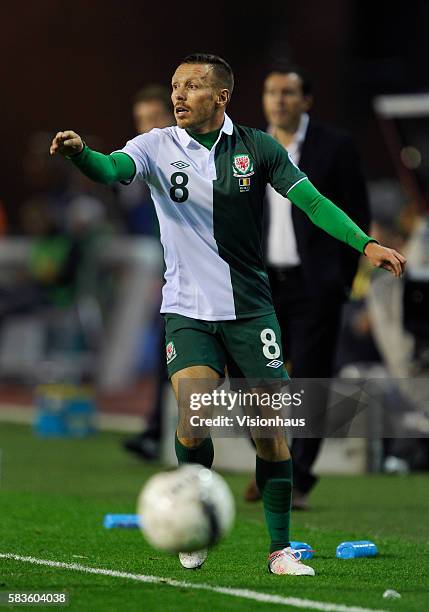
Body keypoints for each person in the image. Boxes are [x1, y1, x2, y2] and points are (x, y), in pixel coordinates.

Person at [50, 53, 405, 577]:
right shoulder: (154, 146)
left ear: (221, 97)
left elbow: (311, 201)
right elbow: (111, 169)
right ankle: (193, 523)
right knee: (194, 421)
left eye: (192, 87)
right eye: (175, 85)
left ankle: (280, 549)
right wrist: (83, 155)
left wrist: (365, 243)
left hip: (250, 312)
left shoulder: (256, 148)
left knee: (270, 433)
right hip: (187, 311)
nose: (178, 95)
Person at [244, 64, 371, 508]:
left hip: (316, 284)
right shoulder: (245, 147)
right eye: (271, 91)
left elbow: (356, 210)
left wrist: (341, 275)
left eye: (288, 92)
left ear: (306, 101)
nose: (278, 100)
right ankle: (271, 463)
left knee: (311, 381)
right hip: (260, 284)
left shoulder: (335, 147)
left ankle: (296, 477)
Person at [119, 85, 174, 460]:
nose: (147, 128)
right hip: (174, 283)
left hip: (219, 281)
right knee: (164, 355)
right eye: (141, 121)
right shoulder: (141, 162)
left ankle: (267, 444)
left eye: (154, 118)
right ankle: (156, 430)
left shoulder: (192, 160)